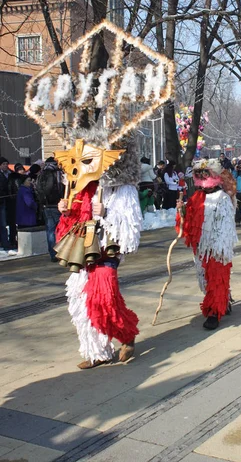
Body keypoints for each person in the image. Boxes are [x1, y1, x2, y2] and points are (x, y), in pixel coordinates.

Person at [55, 136, 142, 370]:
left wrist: (107, 212)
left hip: (105, 252)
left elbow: (130, 228)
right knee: (81, 300)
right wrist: (65, 210)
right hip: (83, 253)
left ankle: (127, 333)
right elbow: (72, 226)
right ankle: (98, 351)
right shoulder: (82, 187)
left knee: (105, 299)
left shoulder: (122, 188)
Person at [178, 158, 237, 330]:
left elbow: (226, 226)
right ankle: (223, 301)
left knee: (216, 279)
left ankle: (214, 312)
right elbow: (189, 221)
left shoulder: (223, 199)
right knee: (204, 279)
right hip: (201, 249)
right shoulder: (197, 197)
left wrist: (219, 248)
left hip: (217, 249)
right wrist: (182, 211)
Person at [35, 157, 64, 262]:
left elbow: (37, 189)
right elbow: (62, 187)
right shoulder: (57, 173)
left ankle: (53, 254)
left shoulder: (42, 174)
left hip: (46, 206)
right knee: (61, 229)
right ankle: (61, 252)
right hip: (58, 205)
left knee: (50, 231)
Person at [7, 163, 25, 248]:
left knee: (14, 223)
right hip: (15, 203)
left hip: (14, 202)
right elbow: (16, 191)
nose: (22, 171)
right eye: (20, 169)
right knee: (13, 223)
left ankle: (14, 240)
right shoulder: (16, 178)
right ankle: (13, 240)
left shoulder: (16, 178)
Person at [0, 157, 11, 250]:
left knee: (3, 224)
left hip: (3, 202)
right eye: (3, 164)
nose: (6, 166)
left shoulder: (9, 173)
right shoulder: (2, 175)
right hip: (2, 200)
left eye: (6, 164)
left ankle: (5, 243)